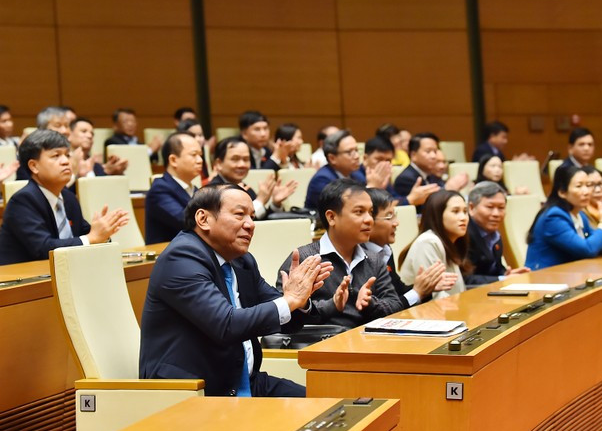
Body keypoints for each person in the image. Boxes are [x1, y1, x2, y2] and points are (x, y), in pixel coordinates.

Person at [139, 184, 332, 397]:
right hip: (194, 392)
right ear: (203, 219)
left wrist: (301, 300)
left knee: (328, 405)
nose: (250, 224)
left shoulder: (243, 261)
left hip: (246, 381)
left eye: (252, 216)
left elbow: (287, 320)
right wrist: (290, 300)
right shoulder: (181, 258)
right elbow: (226, 325)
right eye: (240, 215)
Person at [277, 179, 404, 329]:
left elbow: (396, 305)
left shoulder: (374, 259)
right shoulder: (305, 259)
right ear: (331, 217)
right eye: (359, 212)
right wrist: (332, 305)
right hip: (320, 348)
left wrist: (370, 303)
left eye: (370, 212)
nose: (369, 220)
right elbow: (281, 316)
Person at [0, 130, 128, 266]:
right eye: (56, 155)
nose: (65, 161)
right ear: (34, 166)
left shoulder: (68, 197)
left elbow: (87, 234)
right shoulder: (23, 201)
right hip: (18, 280)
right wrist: (92, 238)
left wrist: (103, 234)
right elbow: (43, 249)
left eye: (67, 155)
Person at [364, 188, 451, 308]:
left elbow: (399, 291)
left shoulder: (385, 249)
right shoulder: (358, 255)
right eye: (389, 216)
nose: (397, 222)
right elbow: (381, 309)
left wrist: (426, 287)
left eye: (395, 215)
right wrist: (417, 293)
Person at [525, 166, 602, 270]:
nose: (586, 191)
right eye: (579, 186)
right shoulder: (554, 217)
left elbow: (601, 247)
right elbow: (588, 250)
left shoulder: (580, 215)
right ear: (562, 192)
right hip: (545, 278)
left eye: (588, 185)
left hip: (570, 274)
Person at [398, 190, 470, 298]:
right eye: (455, 211)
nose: (463, 218)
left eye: (465, 211)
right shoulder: (428, 242)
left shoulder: (449, 241)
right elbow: (436, 296)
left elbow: (458, 291)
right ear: (437, 215)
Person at [208, 137, 296, 220]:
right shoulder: (214, 191)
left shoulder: (246, 188)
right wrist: (260, 201)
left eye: (246, 159)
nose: (242, 164)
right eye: (235, 159)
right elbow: (233, 225)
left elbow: (261, 222)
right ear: (219, 163)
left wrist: (275, 204)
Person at [465, 182, 531, 286]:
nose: (496, 214)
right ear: (471, 208)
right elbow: (464, 279)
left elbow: (494, 268)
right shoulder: (463, 235)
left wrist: (506, 273)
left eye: (501, 208)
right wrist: (501, 279)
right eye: (490, 207)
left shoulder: (495, 234)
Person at [145, 133, 204, 244]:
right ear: (173, 160)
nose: (200, 160)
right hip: (169, 255)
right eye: (194, 155)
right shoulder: (159, 190)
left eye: (200, 155)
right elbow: (186, 222)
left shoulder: (196, 190)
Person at [392, 132, 468, 211]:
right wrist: (447, 189)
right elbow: (421, 210)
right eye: (428, 151)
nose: (434, 156)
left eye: (435, 151)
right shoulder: (406, 178)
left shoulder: (431, 175)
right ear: (413, 155)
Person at [361, 136, 439, 207]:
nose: (384, 164)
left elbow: (393, 200)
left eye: (388, 160)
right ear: (365, 159)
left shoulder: (384, 178)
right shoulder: (355, 176)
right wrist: (373, 186)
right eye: (379, 159)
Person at [304, 130, 366, 211]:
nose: (357, 156)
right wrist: (372, 186)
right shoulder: (321, 180)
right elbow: (343, 210)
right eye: (349, 152)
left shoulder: (357, 175)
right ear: (332, 158)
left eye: (356, 150)